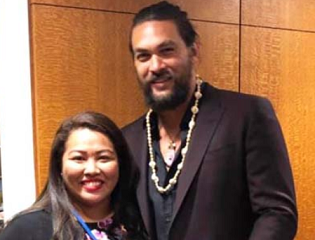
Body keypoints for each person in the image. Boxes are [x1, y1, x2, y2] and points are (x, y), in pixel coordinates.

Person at [122, 1, 298, 240]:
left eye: (167, 51)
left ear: (194, 51)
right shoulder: (127, 139)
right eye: (143, 56)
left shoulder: (245, 114)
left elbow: (277, 214)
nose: (155, 66)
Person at [0, 111, 147, 240]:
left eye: (104, 158)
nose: (92, 169)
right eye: (79, 158)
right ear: (60, 166)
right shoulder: (28, 229)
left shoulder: (137, 222)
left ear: (120, 164)